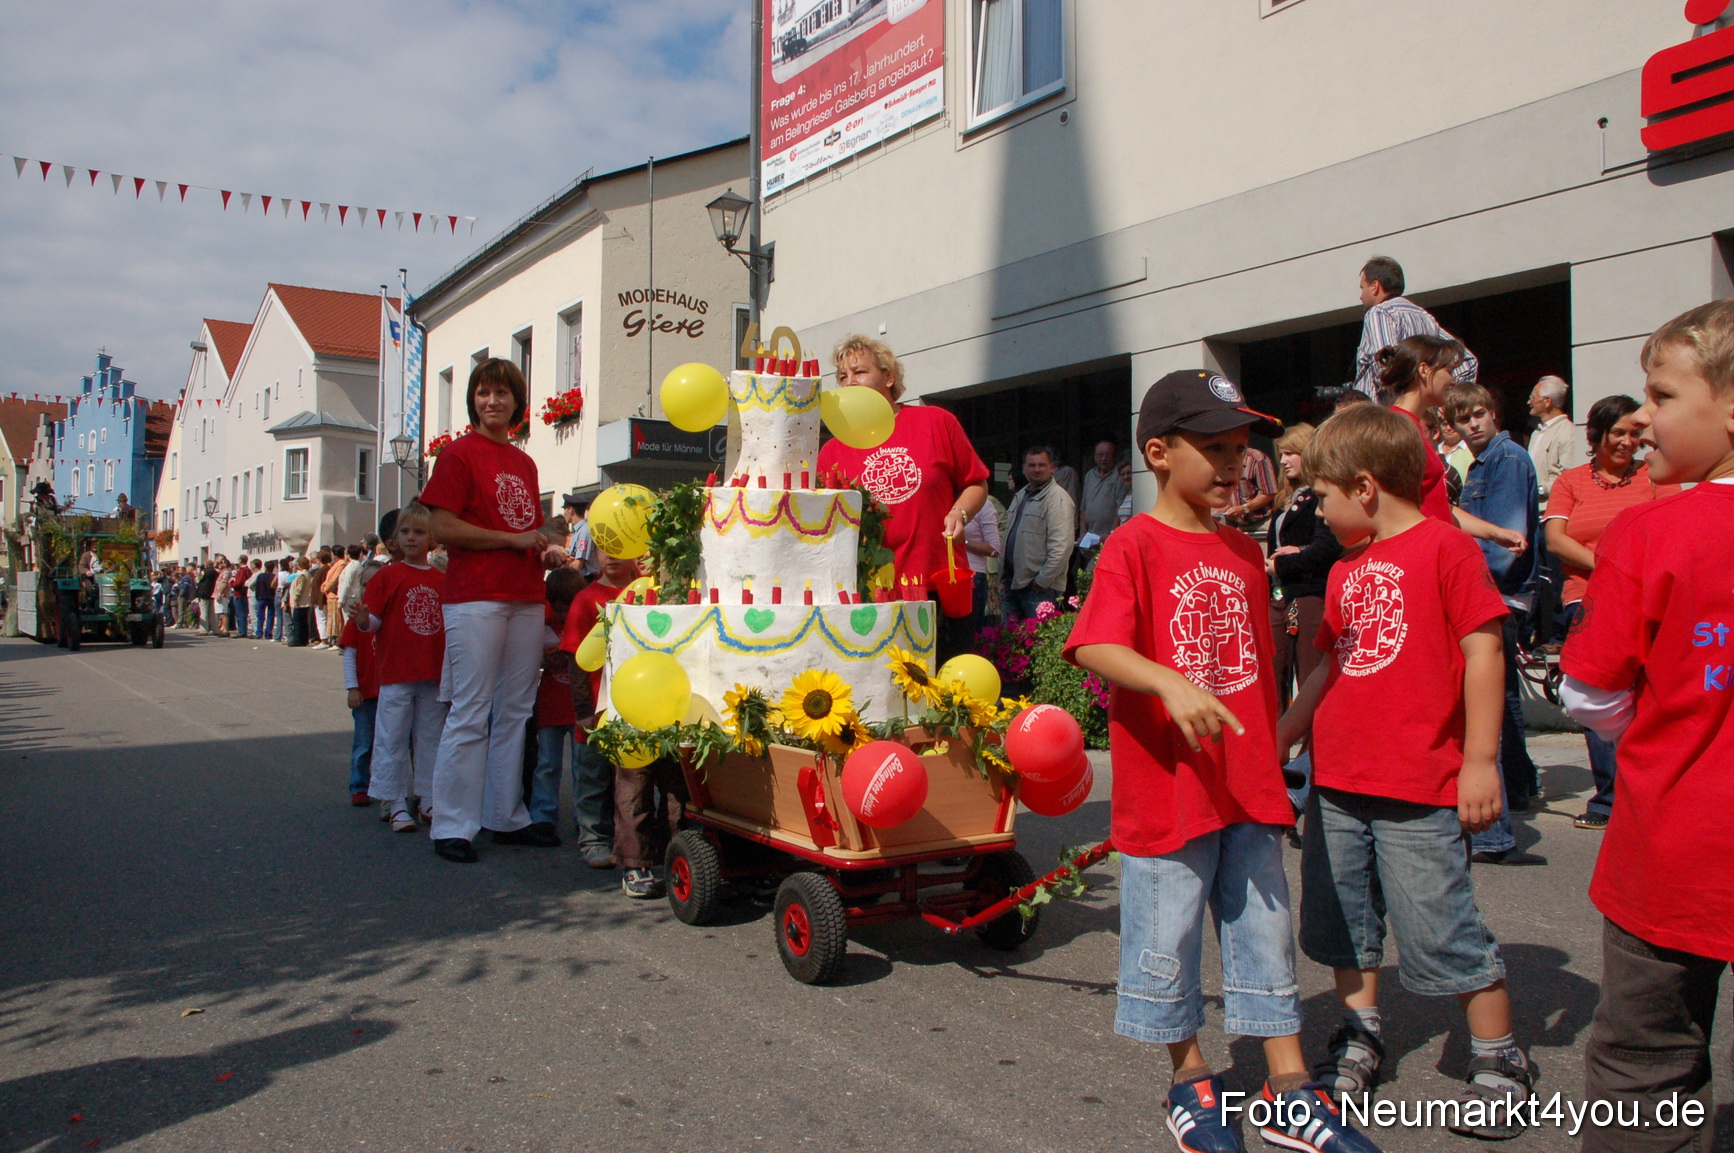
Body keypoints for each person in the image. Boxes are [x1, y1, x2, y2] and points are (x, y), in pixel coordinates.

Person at [1066, 370, 1383, 1153]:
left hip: (1247, 782)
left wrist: (1284, 730)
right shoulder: (1133, 544)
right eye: (1214, 447)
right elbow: (1093, 642)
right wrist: (1168, 682)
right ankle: (1190, 1077)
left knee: (1265, 934)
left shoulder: (1247, 550)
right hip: (1168, 789)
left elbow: (1253, 665)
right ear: (1159, 452)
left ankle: (1290, 1087)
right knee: (1166, 936)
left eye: (1241, 446)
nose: (1235, 461)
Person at [1278, 405, 1535, 1141]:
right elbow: (1330, 665)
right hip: (1339, 783)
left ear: (1364, 486)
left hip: (1419, 784)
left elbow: (1484, 651)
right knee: (1340, 922)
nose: (1318, 510)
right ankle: (1359, 1035)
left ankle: (1499, 1059)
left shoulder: (1446, 550)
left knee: (1442, 923)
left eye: (1323, 496)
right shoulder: (1347, 568)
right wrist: (1283, 737)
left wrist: (1480, 761)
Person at [1559, 300, 1734, 1153]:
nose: (1642, 418)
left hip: (1675, 844)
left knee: (1645, 1064)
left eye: (1662, 396)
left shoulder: (1654, 530)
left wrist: (1654, 722)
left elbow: (1589, 693)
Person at [418, 358, 562, 864]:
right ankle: (452, 824)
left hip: (523, 597)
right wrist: (509, 538)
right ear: (473, 401)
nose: (492, 401)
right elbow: (443, 527)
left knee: (516, 712)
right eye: (483, 393)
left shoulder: (524, 463)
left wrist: (545, 550)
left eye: (502, 393)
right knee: (471, 711)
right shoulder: (458, 454)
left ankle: (506, 816)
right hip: (475, 596)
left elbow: (530, 530)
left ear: (517, 403)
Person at [1543, 395, 1680, 832]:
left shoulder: (1655, 477)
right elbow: (1556, 541)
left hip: (1648, 595)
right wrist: (1615, 567)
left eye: (1634, 434)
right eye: (1617, 433)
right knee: (1598, 691)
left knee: (1652, 696)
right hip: (1589, 594)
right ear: (1596, 434)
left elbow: (1672, 532)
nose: (1627, 442)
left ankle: (1651, 795)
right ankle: (1609, 800)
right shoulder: (1572, 481)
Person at [817, 336, 990, 656]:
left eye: (859, 372)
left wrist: (960, 514)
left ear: (889, 377)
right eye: (842, 377)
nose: (849, 382)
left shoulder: (936, 422)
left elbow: (976, 483)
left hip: (941, 585)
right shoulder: (832, 451)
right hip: (874, 595)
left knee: (951, 690)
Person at [1446, 384, 1545, 855]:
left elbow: (1506, 544)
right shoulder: (1484, 462)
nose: (1473, 424)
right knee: (1501, 705)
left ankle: (1496, 830)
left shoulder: (1506, 460)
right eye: (1464, 419)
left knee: (1489, 706)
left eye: (1479, 414)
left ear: (1495, 412)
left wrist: (1463, 585)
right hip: (1499, 594)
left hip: (1496, 594)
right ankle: (1520, 788)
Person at [1380, 335, 1529, 555]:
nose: (1453, 380)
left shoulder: (1409, 426)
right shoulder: (1396, 428)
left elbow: (1438, 507)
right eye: (1448, 370)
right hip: (1418, 557)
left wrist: (1496, 532)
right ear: (1424, 370)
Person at [362, 503, 449, 833]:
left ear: (431, 539)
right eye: (405, 532)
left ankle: (428, 796)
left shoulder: (442, 579)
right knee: (392, 737)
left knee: (431, 737)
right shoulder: (386, 576)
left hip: (432, 671)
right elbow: (374, 621)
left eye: (419, 532)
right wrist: (362, 619)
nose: (411, 538)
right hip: (397, 671)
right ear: (395, 539)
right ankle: (395, 801)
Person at [558, 552, 635, 872]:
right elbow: (576, 659)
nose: (612, 556)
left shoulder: (646, 594)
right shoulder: (585, 599)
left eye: (621, 548)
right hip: (596, 709)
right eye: (605, 547)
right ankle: (592, 840)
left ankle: (627, 841)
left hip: (634, 707)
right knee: (593, 778)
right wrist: (583, 710)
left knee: (629, 782)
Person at [1265, 423, 1341, 709]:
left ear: (1307, 454)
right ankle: (1275, 749)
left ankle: (1312, 751)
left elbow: (1327, 548)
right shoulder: (1286, 499)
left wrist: (1285, 563)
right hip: (1277, 597)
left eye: (1290, 453)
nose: (1283, 460)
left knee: (1310, 676)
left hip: (1309, 595)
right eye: (1280, 454)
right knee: (1272, 676)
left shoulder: (1322, 497)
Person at [1353, 255, 1478, 399]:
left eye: (1362, 288)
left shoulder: (1379, 312)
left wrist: (1399, 405)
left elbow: (1384, 363)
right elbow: (1468, 362)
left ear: (1375, 286)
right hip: (1421, 413)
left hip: (1384, 414)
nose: (1360, 297)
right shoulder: (1426, 317)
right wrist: (1446, 401)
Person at [525, 567, 585, 841]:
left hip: (576, 706)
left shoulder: (584, 624)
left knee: (580, 766)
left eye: (567, 608)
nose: (563, 615)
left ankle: (582, 817)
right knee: (547, 763)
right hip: (550, 703)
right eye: (558, 609)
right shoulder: (545, 622)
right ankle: (542, 815)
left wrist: (562, 653)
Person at [1001, 446, 1076, 623]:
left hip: (1039, 588)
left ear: (1052, 468)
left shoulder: (1058, 499)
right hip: (1014, 582)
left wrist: (1041, 582)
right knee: (1009, 642)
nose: (1036, 469)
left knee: (1037, 643)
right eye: (1032, 465)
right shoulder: (1021, 495)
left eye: (1042, 465)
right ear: (1024, 468)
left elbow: (1062, 547)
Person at [338, 582, 380, 809]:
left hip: (392, 689)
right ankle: (359, 787)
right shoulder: (355, 620)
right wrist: (352, 687)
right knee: (364, 743)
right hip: (366, 690)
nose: (369, 587)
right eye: (365, 583)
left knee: (403, 743)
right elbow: (349, 654)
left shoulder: (388, 613)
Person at [1525, 376, 1574, 499]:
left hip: (1552, 509)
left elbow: (1569, 477)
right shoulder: (1537, 432)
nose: (1529, 402)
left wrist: (1539, 490)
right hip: (1534, 508)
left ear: (1547, 401)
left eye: (1532, 398)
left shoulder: (1568, 431)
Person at [959, 500, 1000, 643]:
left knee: (969, 635)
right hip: (945, 575)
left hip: (973, 576)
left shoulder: (983, 505)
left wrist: (963, 542)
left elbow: (994, 549)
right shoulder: (944, 498)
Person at [1078, 440, 1128, 549]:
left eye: (1108, 455)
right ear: (1095, 457)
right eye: (1100, 455)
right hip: (1090, 539)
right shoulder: (1089, 475)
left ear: (1114, 456)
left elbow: (1120, 508)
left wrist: (1111, 534)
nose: (1104, 459)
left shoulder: (1119, 475)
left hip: (1108, 539)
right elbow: (1083, 508)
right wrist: (1083, 533)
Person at [1221, 443, 1277, 533]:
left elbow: (1269, 493)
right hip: (1234, 526)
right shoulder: (1220, 459)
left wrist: (1244, 508)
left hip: (1261, 525)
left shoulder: (1258, 459)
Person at [228, 555, 252, 640]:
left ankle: (242, 631)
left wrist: (231, 582)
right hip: (244, 593)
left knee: (240, 613)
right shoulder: (248, 570)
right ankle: (242, 630)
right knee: (243, 612)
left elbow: (238, 583)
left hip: (239, 593)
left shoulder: (242, 570)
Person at [251, 561, 276, 640]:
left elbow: (257, 587)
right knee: (270, 616)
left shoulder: (260, 576)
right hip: (271, 597)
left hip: (261, 597)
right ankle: (268, 633)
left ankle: (259, 632)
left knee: (260, 616)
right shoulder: (274, 576)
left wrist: (257, 596)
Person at [195, 559, 219, 636]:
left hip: (204, 593)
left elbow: (198, 580)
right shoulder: (216, 572)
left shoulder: (204, 572)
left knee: (204, 611)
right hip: (212, 593)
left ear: (206, 565)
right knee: (212, 613)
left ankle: (204, 630)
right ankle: (216, 629)